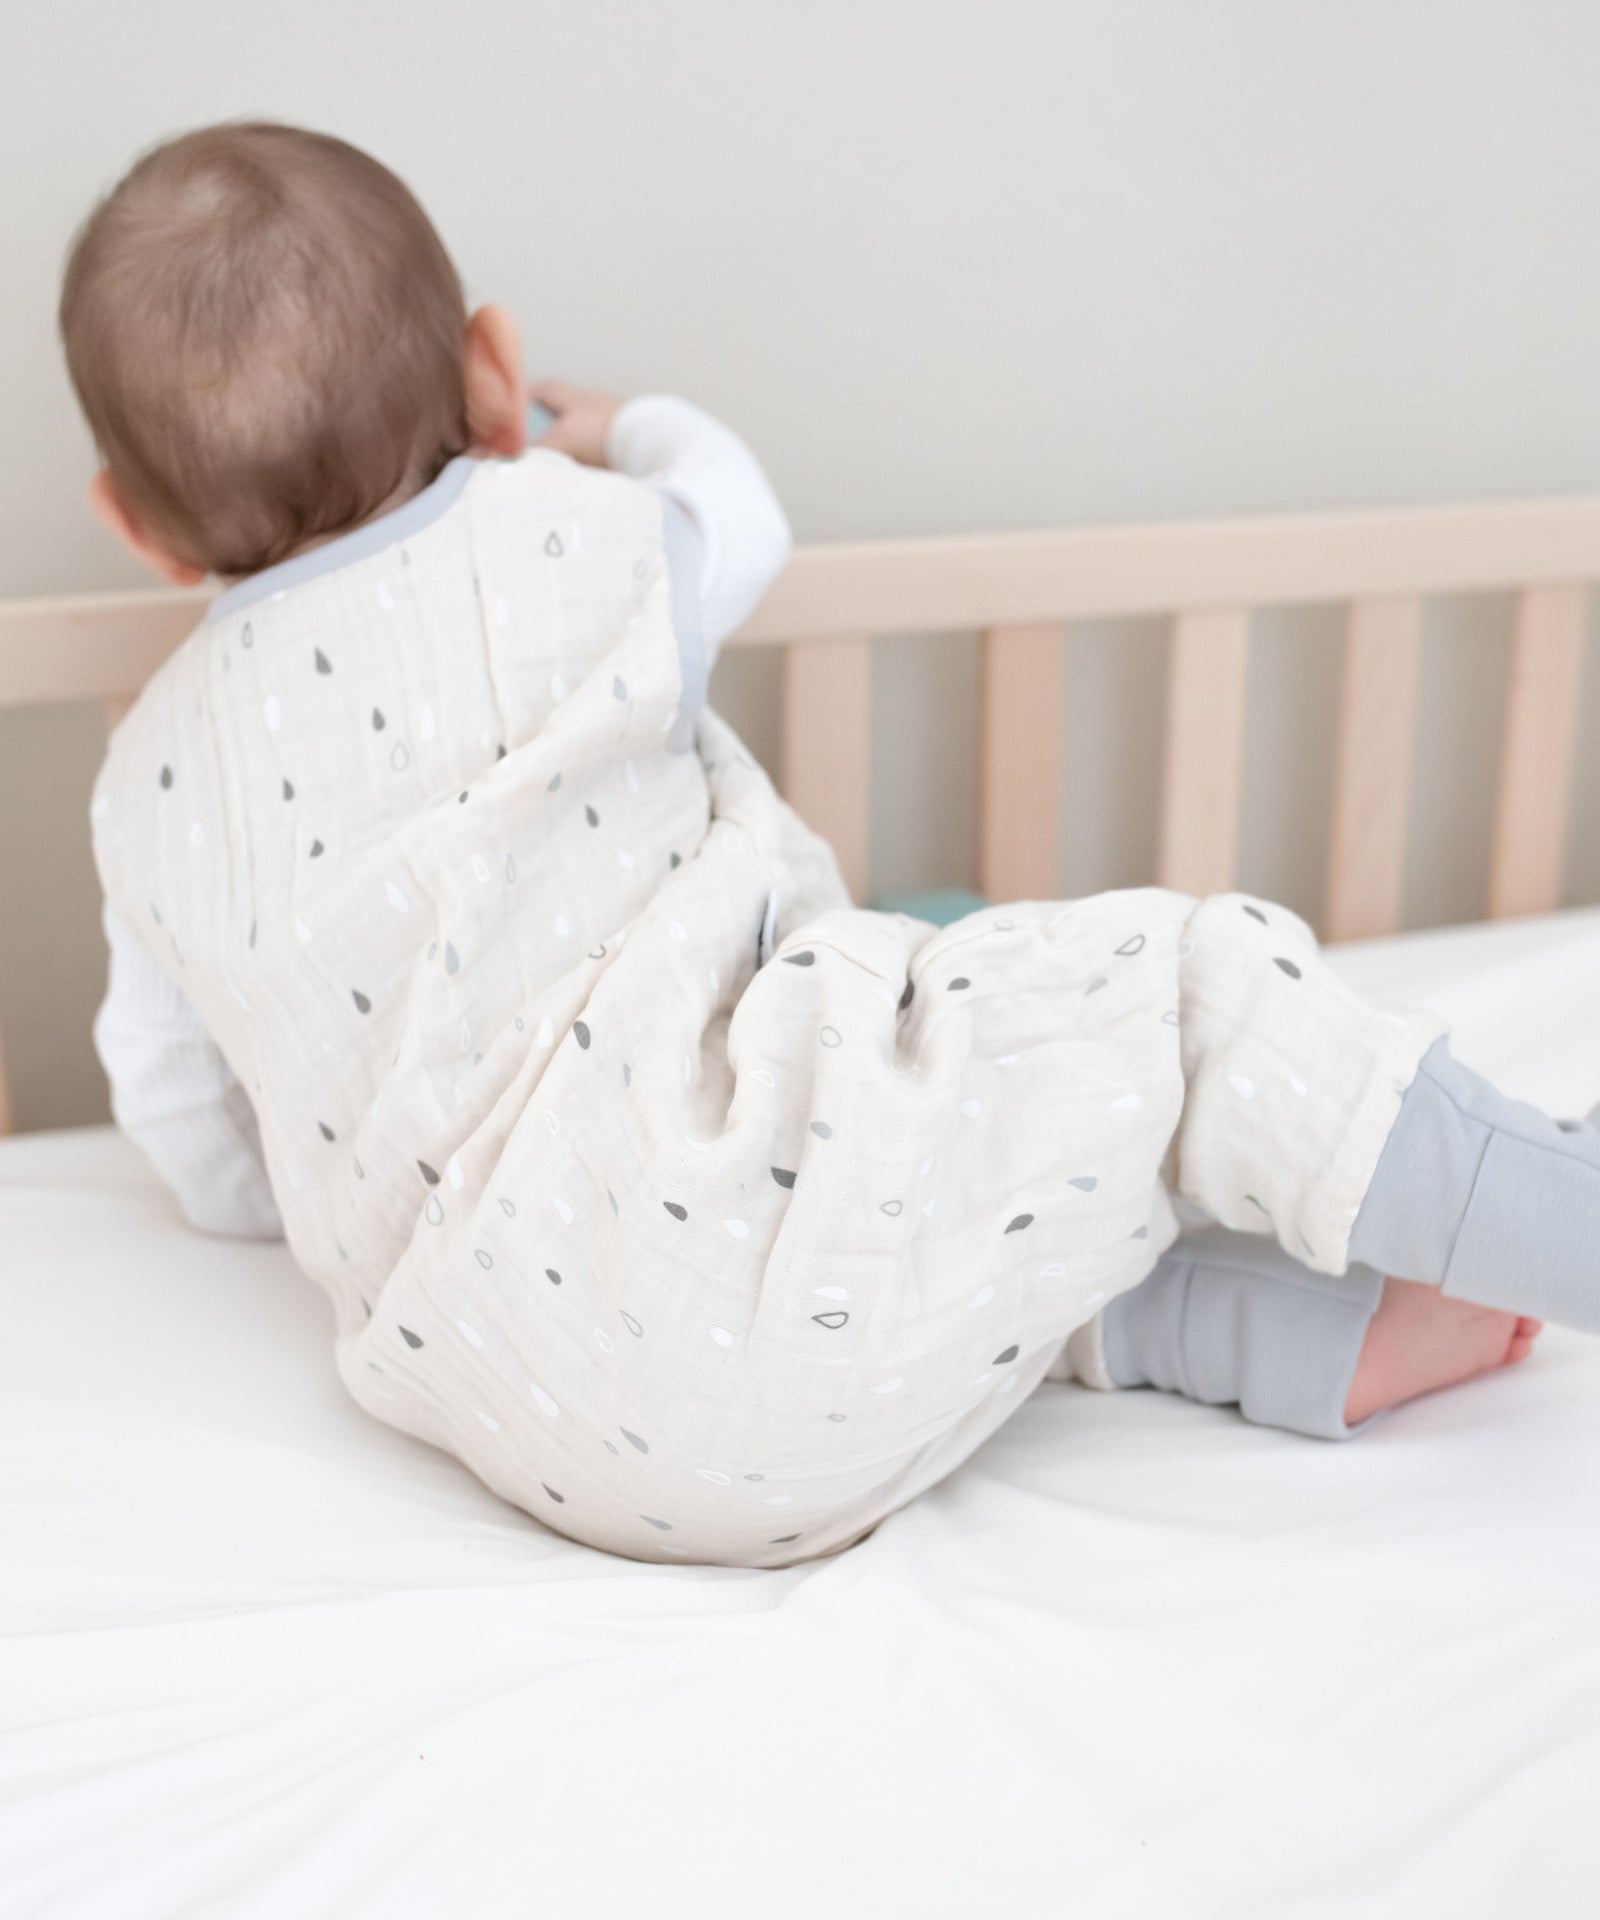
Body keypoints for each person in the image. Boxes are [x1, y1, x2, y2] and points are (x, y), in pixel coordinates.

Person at [68, 124, 1579, 1568]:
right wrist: (613, 428)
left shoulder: (148, 794)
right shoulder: (557, 532)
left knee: (934, 1092)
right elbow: (742, 508)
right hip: (757, 1274)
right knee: (1182, 1007)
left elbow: (192, 1131)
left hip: (560, 1429)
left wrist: (315, 1181)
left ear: (137, 527)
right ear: (492, 373)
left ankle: (1304, 1337)